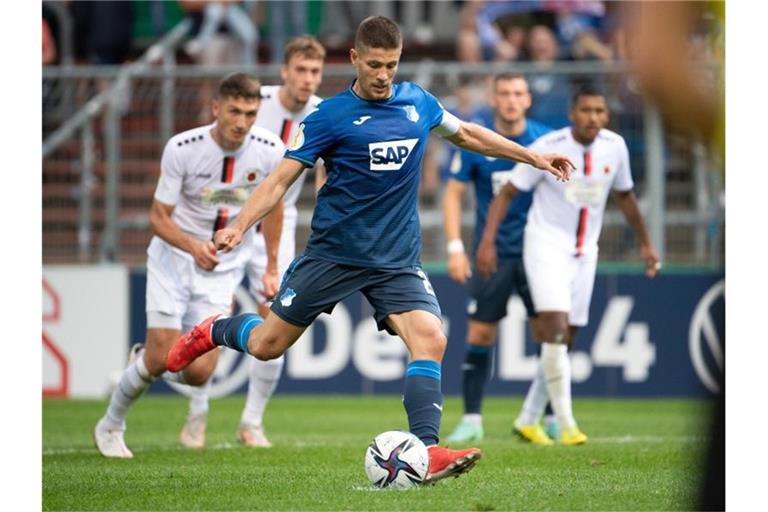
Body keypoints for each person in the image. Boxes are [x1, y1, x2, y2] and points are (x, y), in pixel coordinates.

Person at [166, 16, 573, 483]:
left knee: (431, 338)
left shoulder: (417, 102)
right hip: (333, 255)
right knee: (265, 346)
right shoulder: (328, 117)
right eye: (375, 64)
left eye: (392, 65)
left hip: (396, 260)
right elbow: (280, 179)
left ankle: (428, 449)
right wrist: (239, 225)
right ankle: (213, 330)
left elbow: (469, 135)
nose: (383, 75)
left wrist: (533, 156)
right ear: (356, 59)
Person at [93, 73, 285, 458]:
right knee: (158, 358)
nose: (242, 121)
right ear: (216, 108)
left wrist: (271, 267)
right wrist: (193, 246)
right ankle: (111, 425)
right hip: (173, 261)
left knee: (200, 372)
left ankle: (151, 362)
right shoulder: (183, 147)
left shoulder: (269, 149)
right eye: (234, 110)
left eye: (250, 113)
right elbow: (158, 216)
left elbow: (275, 205)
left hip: (223, 271)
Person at [475, 84, 660, 446]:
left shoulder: (616, 147)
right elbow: (509, 191)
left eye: (600, 111)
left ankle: (528, 418)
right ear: (572, 114)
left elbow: (624, 195)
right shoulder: (549, 146)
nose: (594, 118)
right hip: (545, 246)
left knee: (566, 338)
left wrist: (647, 243)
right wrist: (487, 241)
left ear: (606, 116)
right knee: (555, 329)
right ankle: (566, 423)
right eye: (587, 111)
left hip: (585, 252)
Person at [179, 36, 327, 450]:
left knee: (275, 323)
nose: (307, 79)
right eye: (300, 70)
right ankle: (198, 411)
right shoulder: (253, 102)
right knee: (209, 318)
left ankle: (252, 422)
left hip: (279, 226)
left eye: (315, 72)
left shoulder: (323, 113)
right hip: (231, 220)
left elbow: (325, 174)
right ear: (284, 71)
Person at [440, 72, 555, 446]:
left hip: (539, 253)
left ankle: (550, 417)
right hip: (494, 253)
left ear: (528, 99)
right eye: (504, 93)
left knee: (548, 334)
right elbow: (453, 193)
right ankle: (472, 419)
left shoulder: (546, 140)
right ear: (493, 98)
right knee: (480, 332)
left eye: (518, 93)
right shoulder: (478, 140)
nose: (510, 99)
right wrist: (456, 246)